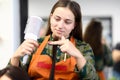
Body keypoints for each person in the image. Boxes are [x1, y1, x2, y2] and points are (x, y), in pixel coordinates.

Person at [9, 0, 99, 80]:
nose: (60, 26)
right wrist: (15, 58)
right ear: (51, 18)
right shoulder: (36, 44)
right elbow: (12, 77)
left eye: (67, 22)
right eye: (57, 19)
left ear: (74, 25)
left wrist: (78, 56)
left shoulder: (83, 48)